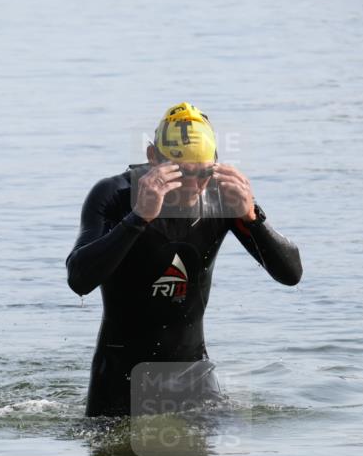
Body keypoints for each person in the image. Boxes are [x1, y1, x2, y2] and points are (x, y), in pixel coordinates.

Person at [66, 102, 302, 417]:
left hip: (195, 378)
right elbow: (79, 279)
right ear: (153, 157)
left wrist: (253, 218)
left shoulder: (223, 196)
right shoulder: (116, 195)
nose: (194, 185)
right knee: (115, 447)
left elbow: (291, 274)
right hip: (119, 380)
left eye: (204, 173)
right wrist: (138, 218)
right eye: (182, 173)